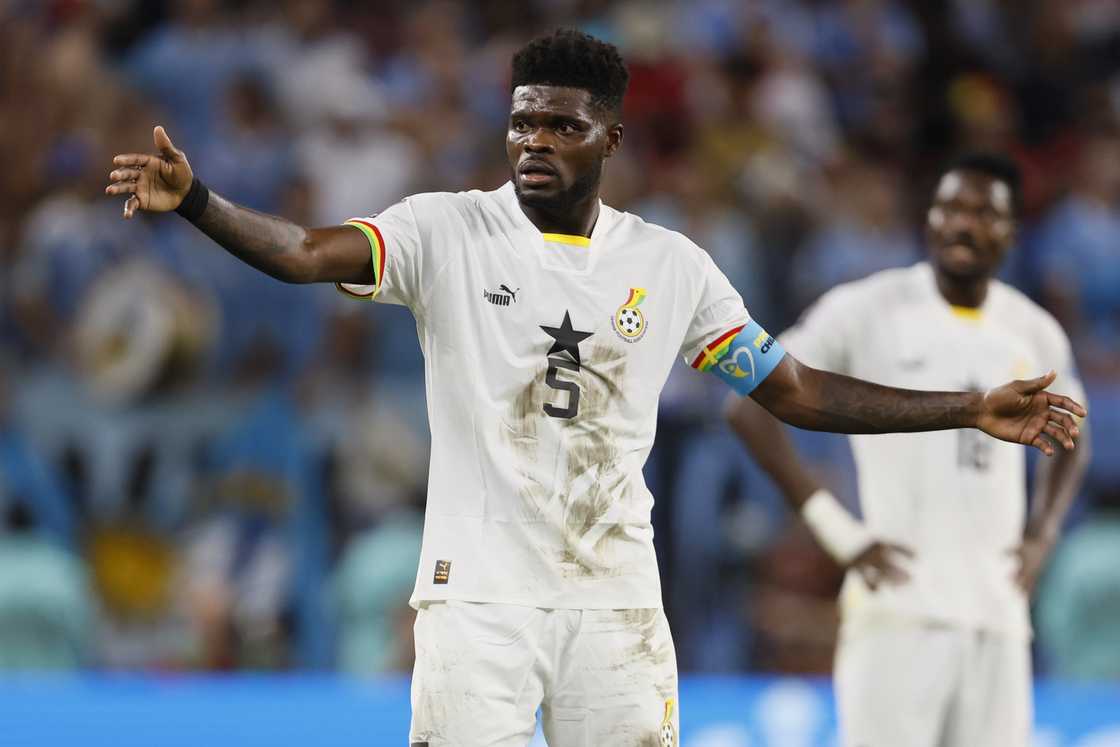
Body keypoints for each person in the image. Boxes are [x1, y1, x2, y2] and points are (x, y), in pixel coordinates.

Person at [106, 31, 1084, 747]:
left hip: (614, 601)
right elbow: (306, 253)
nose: (533, 140)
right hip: (478, 601)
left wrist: (963, 407)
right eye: (521, 121)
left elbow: (792, 391)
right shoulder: (445, 229)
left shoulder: (671, 268)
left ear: (610, 138)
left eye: (560, 125)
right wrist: (198, 202)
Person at [724, 153, 1090, 747]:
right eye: (950, 207)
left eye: (984, 212)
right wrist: (835, 529)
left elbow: (1077, 432)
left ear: (1012, 231)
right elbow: (748, 404)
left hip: (998, 613)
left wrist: (1043, 534)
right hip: (898, 608)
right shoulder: (867, 307)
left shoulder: (1034, 329)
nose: (963, 224)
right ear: (929, 218)